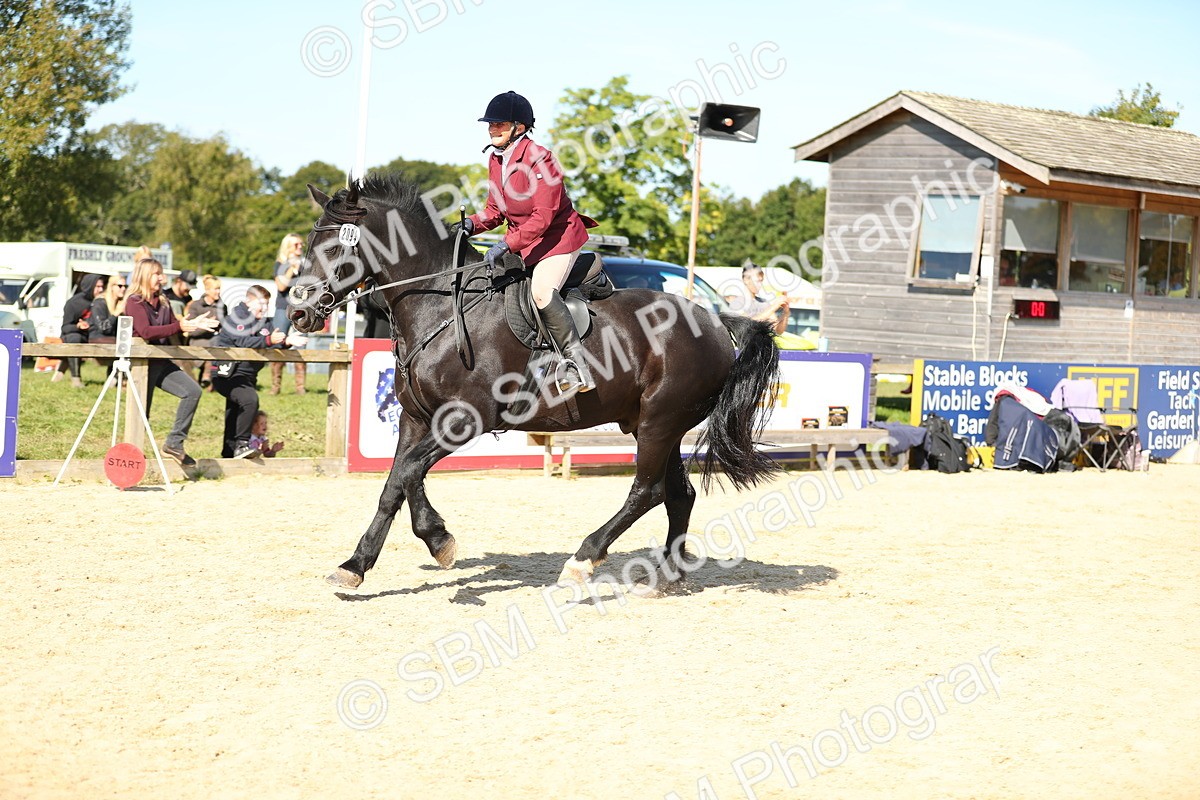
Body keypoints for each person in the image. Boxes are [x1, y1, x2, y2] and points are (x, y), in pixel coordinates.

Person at [461, 91, 599, 393]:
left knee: (540, 292)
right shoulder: (496, 160)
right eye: (490, 124)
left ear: (519, 127)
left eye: (499, 124)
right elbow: (495, 211)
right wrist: (470, 224)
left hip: (559, 239)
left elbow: (543, 217)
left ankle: (577, 366)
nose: (492, 129)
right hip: (528, 242)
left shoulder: (541, 159)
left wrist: (506, 244)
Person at [125, 258, 218, 467]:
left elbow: (171, 327)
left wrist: (191, 325)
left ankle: (174, 443)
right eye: (157, 274)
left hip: (161, 361)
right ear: (145, 276)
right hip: (141, 364)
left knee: (193, 391)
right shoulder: (134, 301)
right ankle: (132, 460)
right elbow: (145, 331)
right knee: (141, 414)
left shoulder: (164, 300)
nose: (162, 278)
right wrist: (180, 326)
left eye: (161, 274)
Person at [210, 284, 306, 459]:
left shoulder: (265, 322)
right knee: (250, 400)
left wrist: (286, 342)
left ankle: (229, 454)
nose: (264, 308)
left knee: (235, 412)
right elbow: (244, 341)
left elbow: (272, 341)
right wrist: (269, 339)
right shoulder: (237, 317)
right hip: (228, 374)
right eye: (260, 303)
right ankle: (242, 445)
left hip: (247, 376)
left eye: (267, 304)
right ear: (248, 302)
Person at [54, 273, 106, 387]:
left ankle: (115, 380)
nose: (101, 289)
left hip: (94, 334)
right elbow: (65, 327)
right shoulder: (73, 303)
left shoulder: (103, 301)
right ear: (90, 286)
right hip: (74, 335)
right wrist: (78, 326)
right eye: (97, 287)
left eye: (102, 286)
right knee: (74, 338)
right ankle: (76, 379)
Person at [271, 233, 307, 395]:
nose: (300, 247)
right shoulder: (280, 264)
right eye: (296, 245)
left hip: (302, 309)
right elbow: (280, 287)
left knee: (301, 346)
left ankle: (300, 387)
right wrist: (291, 270)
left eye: (301, 244)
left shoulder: (307, 265)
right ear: (287, 247)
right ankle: (275, 386)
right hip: (283, 308)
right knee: (278, 344)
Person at [185, 275, 223, 388]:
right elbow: (191, 331)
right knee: (212, 346)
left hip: (215, 339)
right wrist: (205, 326)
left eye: (219, 289)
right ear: (207, 290)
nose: (218, 292)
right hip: (198, 340)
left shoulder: (222, 306)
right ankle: (206, 377)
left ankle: (209, 378)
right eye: (216, 289)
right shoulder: (196, 305)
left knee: (216, 343)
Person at [740, 262, 791, 335]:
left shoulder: (764, 303)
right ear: (746, 280)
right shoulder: (737, 302)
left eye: (761, 281)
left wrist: (785, 313)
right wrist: (774, 306)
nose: (760, 285)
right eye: (757, 281)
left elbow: (778, 330)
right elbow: (747, 325)